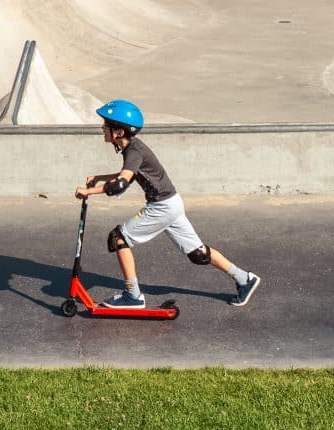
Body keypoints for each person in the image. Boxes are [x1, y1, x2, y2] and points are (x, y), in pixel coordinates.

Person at [76, 100, 261, 309]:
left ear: (118, 132)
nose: (102, 129)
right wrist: (100, 177)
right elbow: (127, 176)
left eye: (106, 126)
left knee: (118, 238)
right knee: (198, 254)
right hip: (172, 203)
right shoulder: (132, 148)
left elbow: (120, 184)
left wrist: (89, 191)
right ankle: (245, 279)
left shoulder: (134, 150)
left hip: (162, 206)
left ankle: (132, 295)